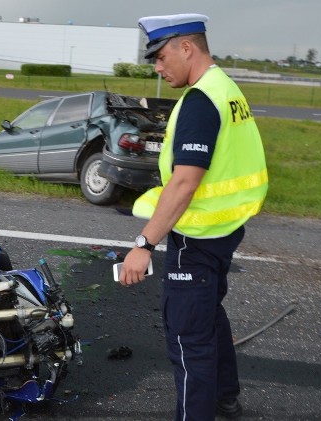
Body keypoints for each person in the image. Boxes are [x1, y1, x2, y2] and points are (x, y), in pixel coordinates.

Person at [117, 13, 269, 421]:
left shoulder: (201, 100)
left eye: (162, 57)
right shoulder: (227, 89)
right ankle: (225, 397)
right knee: (209, 315)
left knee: (188, 340)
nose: (158, 68)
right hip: (224, 230)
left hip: (198, 238)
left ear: (187, 47)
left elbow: (185, 182)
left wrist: (143, 244)